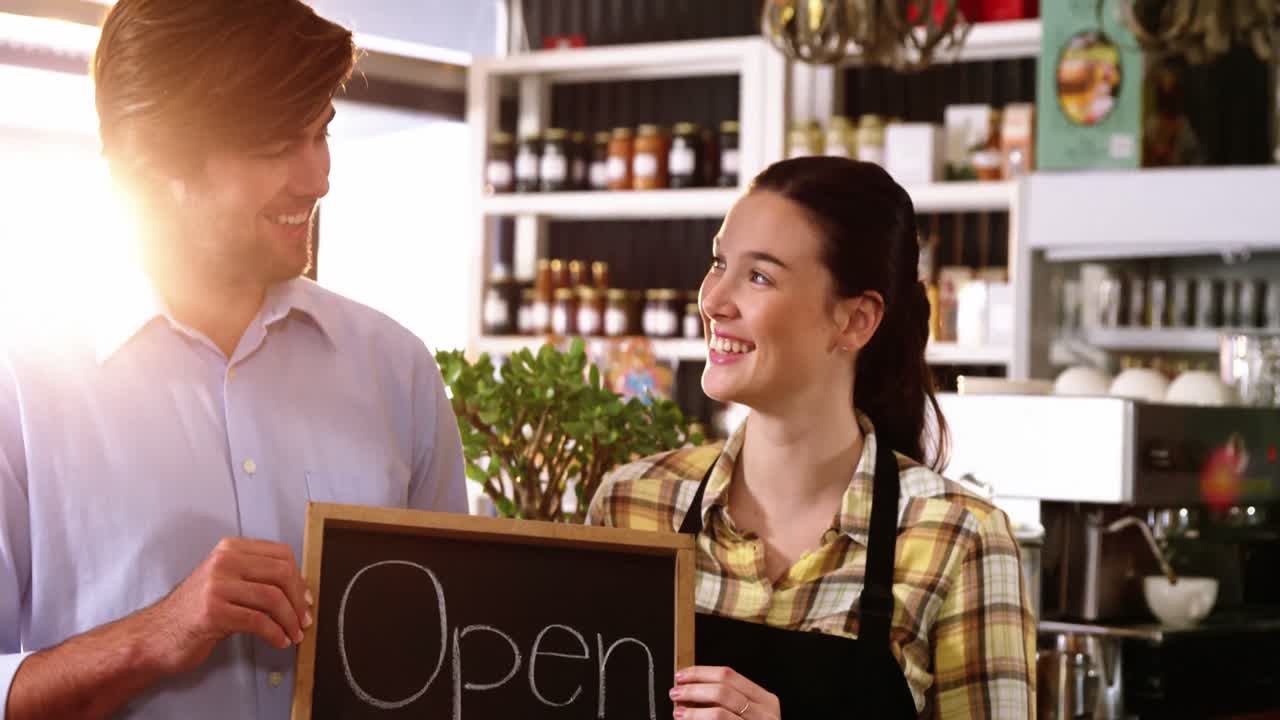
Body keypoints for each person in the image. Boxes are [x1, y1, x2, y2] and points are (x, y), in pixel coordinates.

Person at [0, 1, 468, 718]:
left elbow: (453, 662)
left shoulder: (396, 370)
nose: (318, 178)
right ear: (156, 159)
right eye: (279, 143)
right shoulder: (21, 384)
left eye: (322, 134)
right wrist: (156, 634)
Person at [588, 157, 1036, 719]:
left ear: (855, 321)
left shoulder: (958, 539)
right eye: (719, 263)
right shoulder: (633, 505)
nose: (713, 301)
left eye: (759, 276)